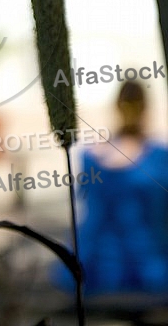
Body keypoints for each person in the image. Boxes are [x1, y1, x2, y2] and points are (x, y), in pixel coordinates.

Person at [52, 81, 168, 295]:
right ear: (146, 107)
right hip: (143, 265)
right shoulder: (159, 157)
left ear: (116, 106)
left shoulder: (92, 155)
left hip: (98, 265)